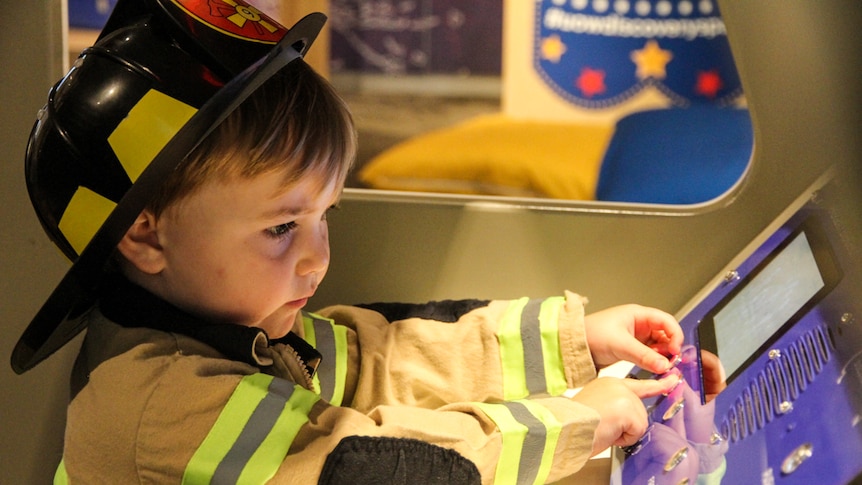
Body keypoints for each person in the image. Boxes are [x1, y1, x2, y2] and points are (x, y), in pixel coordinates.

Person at [13, 1, 685, 483]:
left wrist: (576, 343)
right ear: (144, 234)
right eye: (281, 227)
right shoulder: (160, 404)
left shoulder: (250, 329)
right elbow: (368, 463)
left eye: (323, 216)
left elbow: (381, 358)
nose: (317, 257)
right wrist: (574, 425)